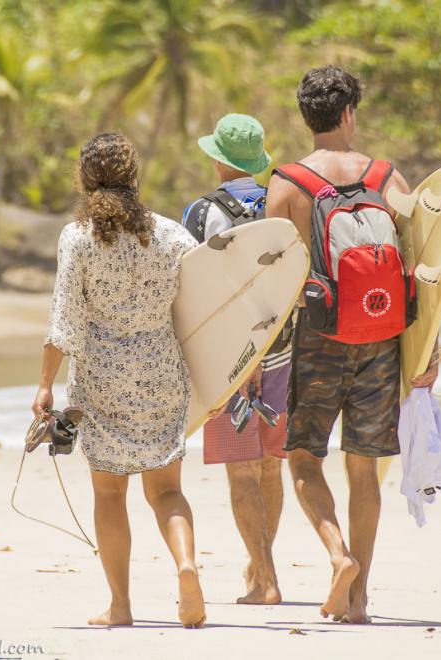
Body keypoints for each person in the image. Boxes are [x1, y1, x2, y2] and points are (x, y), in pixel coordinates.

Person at [265, 65, 439, 624]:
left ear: (308, 117)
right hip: (382, 340)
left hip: (318, 341)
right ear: (348, 113)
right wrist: (428, 349)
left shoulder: (288, 183)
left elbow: (270, 277)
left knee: (303, 460)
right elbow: (422, 268)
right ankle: (360, 598)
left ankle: (338, 557)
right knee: (364, 471)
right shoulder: (388, 177)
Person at [32, 132, 206, 629]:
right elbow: (204, 307)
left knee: (110, 494)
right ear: (134, 177)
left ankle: (121, 606)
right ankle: (186, 564)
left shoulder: (77, 238)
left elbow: (63, 320)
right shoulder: (172, 235)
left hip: (101, 375)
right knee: (167, 491)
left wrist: (45, 384)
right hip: (160, 370)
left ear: (85, 181)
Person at [181, 113, 288, 605]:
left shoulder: (202, 214)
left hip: (230, 358)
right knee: (271, 467)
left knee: (241, 472)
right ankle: (259, 564)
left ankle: (265, 579)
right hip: (285, 353)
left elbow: (195, 291)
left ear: (217, 159)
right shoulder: (283, 203)